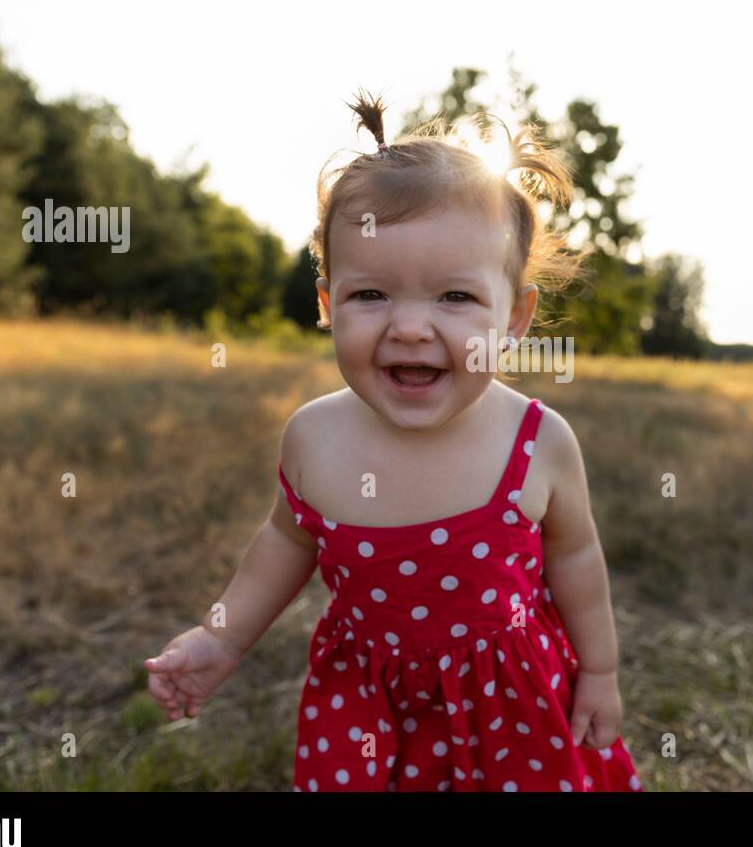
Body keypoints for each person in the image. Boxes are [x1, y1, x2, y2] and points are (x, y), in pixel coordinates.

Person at [144, 88, 643, 792]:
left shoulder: (536, 442)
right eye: (371, 296)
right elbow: (285, 544)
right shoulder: (314, 438)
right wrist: (221, 637)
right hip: (365, 705)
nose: (410, 327)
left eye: (455, 298)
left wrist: (599, 671)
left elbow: (576, 554)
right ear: (327, 303)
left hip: (512, 707)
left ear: (517, 318)